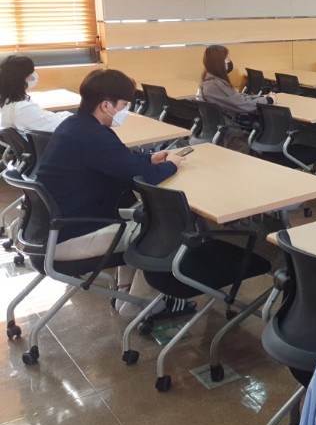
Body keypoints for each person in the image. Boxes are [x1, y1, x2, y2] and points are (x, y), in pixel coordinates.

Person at [36, 69, 192, 319]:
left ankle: (125, 293)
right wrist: (172, 164)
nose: (125, 110)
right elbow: (145, 177)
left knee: (137, 217)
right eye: (123, 105)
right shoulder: (92, 135)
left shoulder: (75, 125)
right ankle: (142, 302)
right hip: (69, 236)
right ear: (106, 105)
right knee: (161, 229)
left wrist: (150, 158)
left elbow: (120, 162)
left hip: (54, 228)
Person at [197, 44, 276, 121]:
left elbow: (236, 98)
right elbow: (242, 105)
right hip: (231, 124)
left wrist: (260, 97)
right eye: (228, 59)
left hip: (225, 121)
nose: (230, 62)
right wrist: (268, 100)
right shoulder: (215, 85)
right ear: (219, 63)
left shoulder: (209, 79)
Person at [0, 55, 71, 132]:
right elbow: (56, 125)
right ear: (22, 77)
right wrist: (72, 118)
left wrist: (66, 115)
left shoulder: (7, 102)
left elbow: (44, 118)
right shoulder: (23, 108)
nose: (35, 74)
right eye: (32, 71)